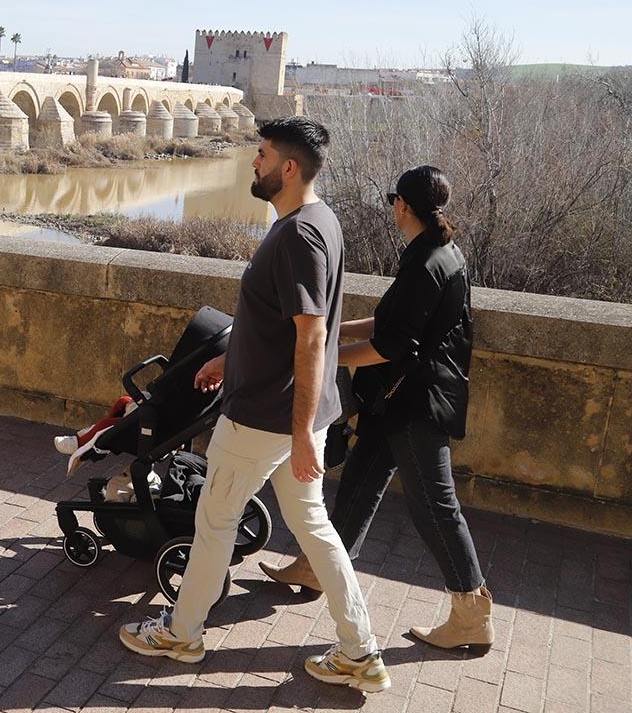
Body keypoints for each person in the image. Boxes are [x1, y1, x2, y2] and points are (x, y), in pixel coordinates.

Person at [118, 117, 390, 694]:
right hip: (293, 415)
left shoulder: (299, 237)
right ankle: (360, 651)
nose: (253, 163)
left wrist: (295, 434)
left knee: (214, 521)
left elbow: (312, 336)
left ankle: (181, 634)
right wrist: (229, 357)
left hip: (268, 419)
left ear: (288, 168)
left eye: (262, 154)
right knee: (313, 528)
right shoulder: (319, 220)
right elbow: (274, 319)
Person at [261, 166, 493, 655]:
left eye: (393, 200)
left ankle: (471, 611)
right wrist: (334, 328)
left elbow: (390, 345)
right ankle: (315, 567)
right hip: (397, 401)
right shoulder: (436, 255)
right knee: (361, 484)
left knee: (435, 506)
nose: (391, 207)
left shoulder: (427, 263)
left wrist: (320, 356)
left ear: (403, 206)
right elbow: (392, 321)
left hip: (415, 403)